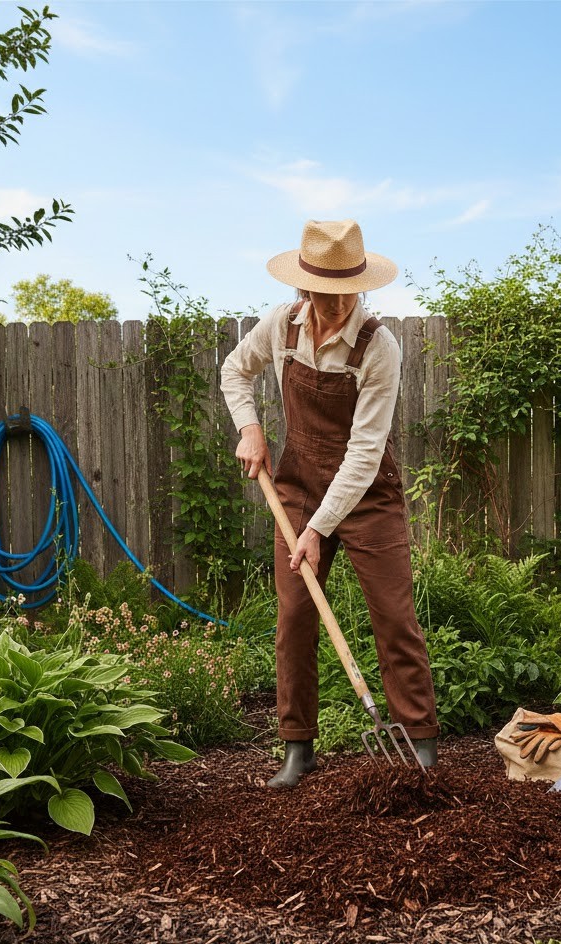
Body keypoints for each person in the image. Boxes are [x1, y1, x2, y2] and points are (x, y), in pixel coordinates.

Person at [220, 218, 439, 788]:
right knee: (294, 616)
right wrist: (250, 428)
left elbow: (365, 455)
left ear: (360, 287)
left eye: (347, 292)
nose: (336, 304)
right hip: (296, 486)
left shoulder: (378, 347)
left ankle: (419, 743)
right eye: (324, 292)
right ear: (304, 287)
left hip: (368, 496)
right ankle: (298, 747)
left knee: (393, 616)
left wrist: (317, 529)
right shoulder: (281, 328)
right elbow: (233, 372)